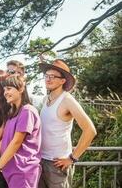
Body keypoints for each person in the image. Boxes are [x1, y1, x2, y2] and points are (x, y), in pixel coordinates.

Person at [38, 59, 97, 188]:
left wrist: (72, 158)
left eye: (53, 76)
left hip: (57, 164)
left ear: (62, 81)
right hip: (41, 160)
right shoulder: (45, 99)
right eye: (46, 76)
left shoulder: (67, 100)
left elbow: (90, 130)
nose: (48, 79)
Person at [0, 75, 42, 188]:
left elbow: (16, 142)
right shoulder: (12, 113)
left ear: (21, 89)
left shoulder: (27, 111)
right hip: (11, 170)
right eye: (5, 89)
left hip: (23, 172)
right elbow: (4, 142)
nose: (5, 92)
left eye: (9, 88)